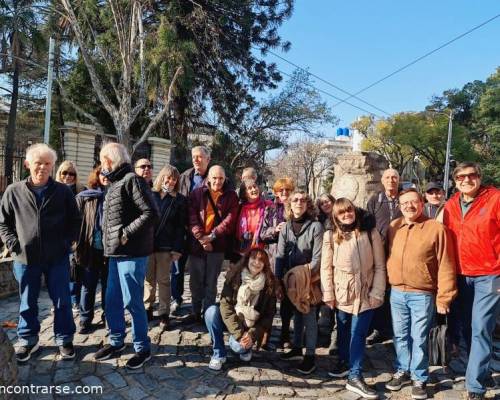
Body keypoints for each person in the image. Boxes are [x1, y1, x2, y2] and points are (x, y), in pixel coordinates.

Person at [0, 143, 80, 362]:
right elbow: (3, 223)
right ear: (27, 164)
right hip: (25, 258)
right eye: (38, 163)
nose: (42, 168)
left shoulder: (63, 192)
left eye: (47, 164)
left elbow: (75, 221)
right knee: (27, 301)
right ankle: (27, 340)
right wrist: (14, 244)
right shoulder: (13, 191)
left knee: (62, 300)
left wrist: (67, 243)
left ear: (52, 166)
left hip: (57, 257)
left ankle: (64, 339)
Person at [385, 188, 457, 400]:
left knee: (419, 337)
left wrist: (444, 296)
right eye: (404, 203)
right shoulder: (394, 226)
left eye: (413, 202)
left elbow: (446, 264)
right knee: (400, 335)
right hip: (397, 292)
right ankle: (403, 370)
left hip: (422, 293)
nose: (409, 206)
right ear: (400, 206)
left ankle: (419, 377)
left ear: (422, 203)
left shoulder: (436, 228)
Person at [93, 143, 158, 369]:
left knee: (133, 302)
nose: (101, 165)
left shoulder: (132, 180)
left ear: (110, 160)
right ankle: (117, 341)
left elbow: (150, 212)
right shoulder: (114, 183)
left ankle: (142, 348)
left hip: (132, 253)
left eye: (103, 160)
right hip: (115, 254)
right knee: (111, 301)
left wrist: (125, 233)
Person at [443, 162, 500, 400]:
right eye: (460, 177)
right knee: (468, 327)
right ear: (455, 181)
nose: (466, 180)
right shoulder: (450, 205)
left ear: (480, 177)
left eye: (472, 175)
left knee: (480, 327)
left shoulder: (495, 198)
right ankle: (483, 368)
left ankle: (474, 386)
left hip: (490, 273)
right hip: (461, 274)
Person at [321, 198, 385, 399]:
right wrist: (329, 293)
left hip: (366, 292)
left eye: (349, 211)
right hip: (343, 292)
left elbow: (380, 265)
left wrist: (377, 292)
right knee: (343, 329)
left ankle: (355, 376)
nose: (347, 215)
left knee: (358, 333)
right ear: (336, 216)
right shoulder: (330, 236)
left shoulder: (370, 232)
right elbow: (326, 267)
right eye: (342, 213)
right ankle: (343, 360)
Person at [205, 249, 277, 370]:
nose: (256, 262)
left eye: (261, 260)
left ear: (265, 264)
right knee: (211, 312)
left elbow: (268, 316)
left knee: (238, 347)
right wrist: (239, 334)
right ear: (248, 259)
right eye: (254, 258)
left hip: (250, 326)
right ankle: (218, 354)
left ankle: (245, 350)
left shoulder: (269, 284)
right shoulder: (234, 276)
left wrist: (251, 335)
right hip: (233, 321)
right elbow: (225, 305)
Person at [277, 190, 323, 374]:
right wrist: (279, 278)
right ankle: (296, 347)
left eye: (303, 200)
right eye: (295, 200)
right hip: (289, 280)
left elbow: (318, 257)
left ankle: (310, 355)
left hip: (308, 278)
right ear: (290, 204)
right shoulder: (286, 227)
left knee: (308, 314)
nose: (299, 202)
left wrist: (300, 274)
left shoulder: (315, 227)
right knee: (295, 312)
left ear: (308, 205)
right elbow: (280, 255)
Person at [185, 165, 239, 324]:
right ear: (208, 178)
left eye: (221, 178)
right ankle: (195, 312)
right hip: (197, 246)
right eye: (214, 177)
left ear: (225, 179)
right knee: (195, 281)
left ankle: (207, 315)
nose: (217, 181)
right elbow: (192, 217)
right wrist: (201, 238)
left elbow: (229, 220)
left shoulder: (231, 196)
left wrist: (212, 237)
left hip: (218, 246)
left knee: (211, 283)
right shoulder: (196, 194)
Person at [144, 165, 187, 330]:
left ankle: (164, 313)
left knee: (163, 280)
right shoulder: (150, 194)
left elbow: (180, 227)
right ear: (162, 177)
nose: (170, 181)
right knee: (148, 280)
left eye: (174, 179)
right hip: (147, 245)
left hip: (166, 246)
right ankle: (147, 308)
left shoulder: (179, 200)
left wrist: (177, 248)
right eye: (168, 178)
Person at [366, 168, 402, 344]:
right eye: (387, 177)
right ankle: (377, 328)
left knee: (394, 291)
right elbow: (368, 224)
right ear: (382, 180)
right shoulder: (375, 199)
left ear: (399, 179)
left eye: (394, 177)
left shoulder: (405, 199)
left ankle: (392, 328)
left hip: (400, 251)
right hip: (379, 251)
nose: (391, 180)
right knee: (379, 288)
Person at [174, 145, 211, 314]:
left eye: (200, 156)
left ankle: (202, 303)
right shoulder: (184, 177)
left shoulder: (216, 177)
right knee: (176, 268)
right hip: (183, 231)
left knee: (201, 271)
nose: (196, 159)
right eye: (194, 156)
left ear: (208, 159)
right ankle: (177, 298)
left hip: (204, 234)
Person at [74, 166, 110, 334]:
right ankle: (85, 319)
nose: (106, 176)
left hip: (110, 249)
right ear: (97, 175)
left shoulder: (116, 195)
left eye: (109, 173)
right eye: (103, 173)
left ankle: (107, 316)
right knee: (88, 286)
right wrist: (75, 245)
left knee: (108, 286)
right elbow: (74, 220)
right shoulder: (85, 197)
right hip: (90, 248)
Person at [259, 177, 295, 347]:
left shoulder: (296, 208)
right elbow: (262, 233)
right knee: (270, 298)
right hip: (273, 258)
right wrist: (275, 229)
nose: (284, 194)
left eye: (287, 190)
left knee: (287, 299)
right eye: (281, 190)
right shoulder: (270, 209)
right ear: (276, 192)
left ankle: (286, 334)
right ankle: (265, 334)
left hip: (291, 258)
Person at [56, 160, 85, 313]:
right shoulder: (53, 190)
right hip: (57, 238)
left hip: (75, 237)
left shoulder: (82, 191)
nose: (68, 176)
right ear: (59, 174)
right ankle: (60, 300)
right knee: (59, 272)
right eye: (65, 173)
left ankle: (74, 300)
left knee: (74, 270)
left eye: (72, 174)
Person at [235, 179, 272, 256]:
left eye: (255, 186)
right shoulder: (239, 208)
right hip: (244, 251)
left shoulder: (268, 205)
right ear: (244, 193)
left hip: (263, 251)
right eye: (250, 188)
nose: (254, 189)